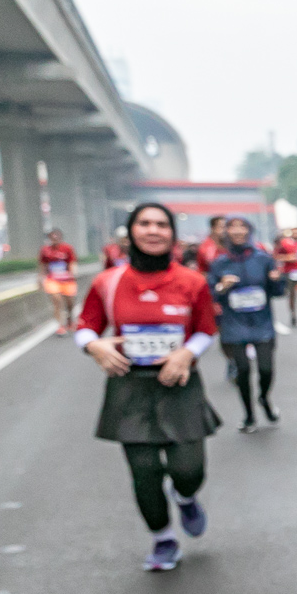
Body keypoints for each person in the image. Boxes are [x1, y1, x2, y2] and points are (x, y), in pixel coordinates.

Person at [76, 202, 221, 571]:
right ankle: (163, 539)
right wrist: (94, 346)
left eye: (161, 224)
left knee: (189, 469)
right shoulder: (108, 282)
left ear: (172, 234)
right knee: (144, 472)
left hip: (179, 383)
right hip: (130, 387)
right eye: (144, 224)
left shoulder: (192, 282)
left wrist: (186, 353)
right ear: (131, 232)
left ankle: (185, 498)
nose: (153, 231)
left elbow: (206, 329)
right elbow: (86, 325)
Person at [208, 215, 283, 432]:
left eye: (242, 227)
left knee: (266, 369)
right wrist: (222, 287)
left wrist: (277, 280)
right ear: (226, 233)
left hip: (262, 323)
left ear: (249, 231)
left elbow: (278, 291)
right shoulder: (220, 263)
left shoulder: (263, 259)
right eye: (232, 227)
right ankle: (249, 415)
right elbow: (210, 293)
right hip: (235, 324)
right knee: (242, 370)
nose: (238, 231)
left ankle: (264, 398)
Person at [38, 227, 79, 335]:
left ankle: (70, 319)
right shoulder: (45, 250)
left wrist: (73, 273)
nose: (55, 239)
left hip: (67, 279)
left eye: (57, 237)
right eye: (52, 237)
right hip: (53, 279)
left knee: (70, 302)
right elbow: (43, 265)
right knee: (56, 300)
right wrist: (40, 279)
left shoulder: (67, 248)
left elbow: (72, 262)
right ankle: (60, 325)